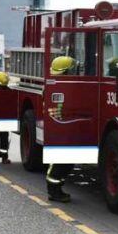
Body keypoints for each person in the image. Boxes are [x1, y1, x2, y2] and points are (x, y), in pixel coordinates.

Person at [46, 55, 77, 203]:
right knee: (59, 160)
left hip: (65, 126)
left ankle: (57, 189)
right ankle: (53, 191)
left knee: (67, 160)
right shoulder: (56, 86)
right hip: (59, 127)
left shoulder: (59, 84)